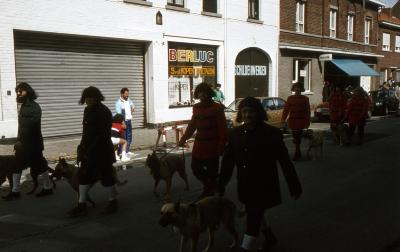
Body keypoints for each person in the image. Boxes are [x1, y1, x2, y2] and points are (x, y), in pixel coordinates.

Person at [218, 97, 302, 252]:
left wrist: (294, 185)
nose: (248, 115)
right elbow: (227, 164)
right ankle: (269, 237)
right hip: (245, 183)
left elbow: (285, 162)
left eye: (251, 111)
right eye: (244, 111)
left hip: (265, 184)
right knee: (254, 211)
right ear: (240, 114)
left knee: (254, 215)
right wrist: (220, 185)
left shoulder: (272, 134)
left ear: (259, 113)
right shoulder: (234, 134)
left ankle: (245, 247)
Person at [68, 86, 118, 217]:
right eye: (86, 98)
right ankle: (82, 205)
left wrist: (88, 149)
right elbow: (86, 133)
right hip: (88, 150)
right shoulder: (87, 110)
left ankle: (113, 202)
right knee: (84, 176)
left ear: (97, 97)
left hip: (102, 151)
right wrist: (81, 148)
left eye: (91, 97)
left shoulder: (104, 111)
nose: (88, 100)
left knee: (106, 176)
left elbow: (102, 135)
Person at [3, 82, 54, 200]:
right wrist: (18, 141)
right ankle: (15, 191)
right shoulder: (24, 107)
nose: (18, 93)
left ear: (28, 92)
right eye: (17, 91)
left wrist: (20, 142)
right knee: (16, 166)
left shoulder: (34, 107)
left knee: (40, 166)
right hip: (23, 144)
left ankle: (48, 187)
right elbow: (22, 128)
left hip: (33, 145)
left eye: (21, 91)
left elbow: (30, 128)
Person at [178, 82, 227, 199]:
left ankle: (209, 192)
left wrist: (220, 147)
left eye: (204, 92)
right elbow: (192, 126)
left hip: (212, 145)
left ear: (209, 93)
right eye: (200, 92)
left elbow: (223, 129)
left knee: (212, 172)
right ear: (197, 94)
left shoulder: (217, 108)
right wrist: (183, 139)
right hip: (199, 145)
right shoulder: (196, 108)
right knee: (195, 168)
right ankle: (212, 186)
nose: (202, 95)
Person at [281, 83, 311, 160]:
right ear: (293, 89)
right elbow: (286, 110)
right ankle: (298, 151)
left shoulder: (305, 99)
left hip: (301, 120)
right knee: (296, 136)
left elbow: (307, 111)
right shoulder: (290, 98)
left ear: (301, 89)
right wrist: (283, 119)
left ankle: (297, 152)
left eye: (298, 88)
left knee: (297, 136)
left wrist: (307, 122)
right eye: (295, 88)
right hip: (293, 120)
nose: (297, 90)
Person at [115, 87, 135, 156]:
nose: (127, 95)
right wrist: (123, 123)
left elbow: (133, 106)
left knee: (129, 136)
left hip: (129, 120)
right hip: (123, 121)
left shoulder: (128, 100)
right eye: (126, 94)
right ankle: (121, 152)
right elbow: (119, 115)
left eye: (128, 94)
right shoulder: (118, 103)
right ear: (122, 94)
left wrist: (130, 113)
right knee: (124, 137)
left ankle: (127, 150)